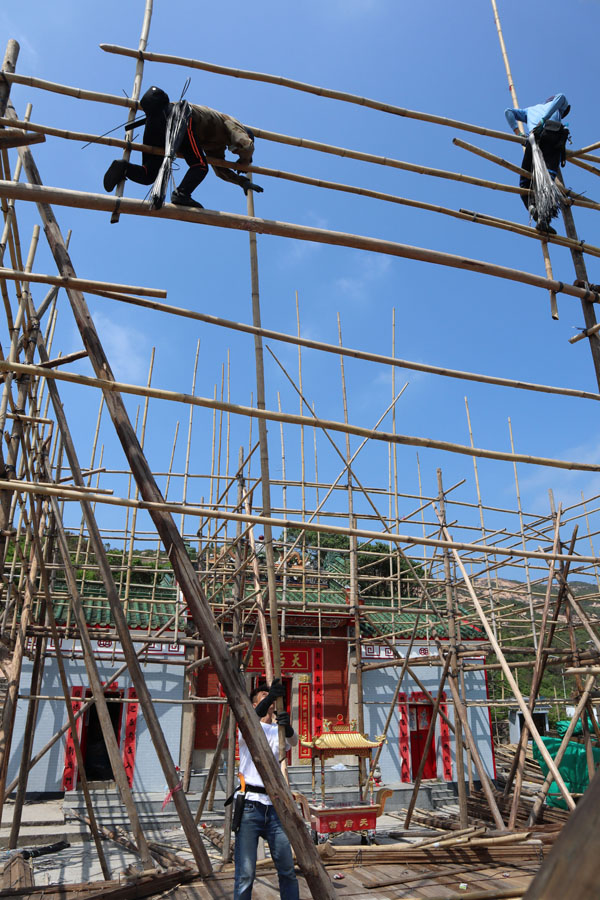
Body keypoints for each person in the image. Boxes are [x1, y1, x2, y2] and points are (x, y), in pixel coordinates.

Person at [103, 85, 263, 209]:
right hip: (180, 118)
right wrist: (245, 161)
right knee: (200, 165)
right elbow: (246, 146)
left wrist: (241, 181)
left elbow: (220, 169)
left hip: (157, 123)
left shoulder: (217, 144)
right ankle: (181, 194)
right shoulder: (233, 124)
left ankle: (123, 168)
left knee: (149, 174)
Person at [232, 679, 299, 900]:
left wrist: (287, 726)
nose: (268, 699)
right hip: (250, 805)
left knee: (287, 870)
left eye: (270, 696)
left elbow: (293, 742)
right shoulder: (246, 727)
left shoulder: (277, 732)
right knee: (246, 873)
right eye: (262, 696)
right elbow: (252, 720)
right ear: (255, 705)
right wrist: (270, 696)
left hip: (275, 806)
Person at [505, 93, 570, 234]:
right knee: (547, 182)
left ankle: (534, 210)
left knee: (524, 183)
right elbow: (561, 97)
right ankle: (543, 218)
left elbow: (508, 112)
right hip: (552, 136)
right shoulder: (556, 107)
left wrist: (518, 133)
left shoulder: (529, 110)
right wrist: (544, 119)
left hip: (533, 139)